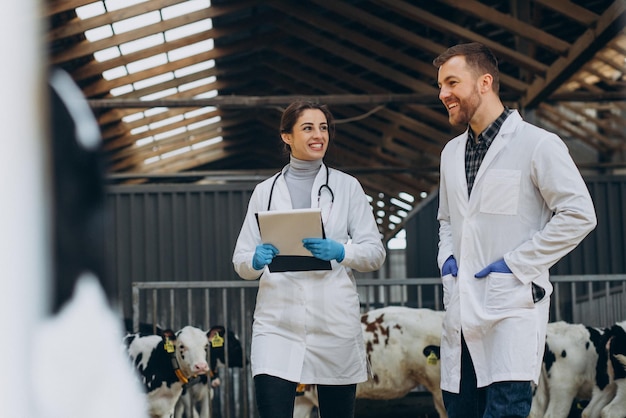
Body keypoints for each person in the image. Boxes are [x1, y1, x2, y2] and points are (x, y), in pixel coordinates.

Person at [433, 42, 597, 418]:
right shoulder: (451, 153)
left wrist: (517, 263)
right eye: (440, 86)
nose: (443, 94)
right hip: (462, 312)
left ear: (484, 82)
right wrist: (447, 260)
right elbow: (447, 220)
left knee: (506, 411)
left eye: (451, 83)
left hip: (511, 307)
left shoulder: (537, 144)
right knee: (461, 410)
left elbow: (579, 213)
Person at [232, 101, 386, 418]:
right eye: (308, 128)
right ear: (286, 136)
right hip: (277, 322)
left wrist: (342, 251)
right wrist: (256, 261)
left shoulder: (347, 187)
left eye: (323, 128)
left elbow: (374, 252)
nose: (318, 135)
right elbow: (241, 260)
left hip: (333, 322)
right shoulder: (265, 192)